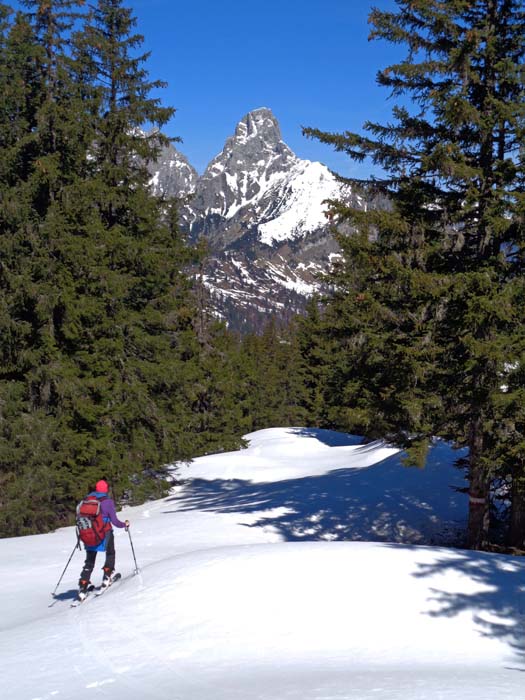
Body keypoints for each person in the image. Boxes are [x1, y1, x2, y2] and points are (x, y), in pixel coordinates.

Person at [78, 479, 130, 599]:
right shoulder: (107, 502)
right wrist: (125, 524)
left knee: (89, 561)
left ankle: (83, 584)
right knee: (110, 553)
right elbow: (115, 522)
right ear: (106, 490)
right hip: (104, 532)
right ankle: (107, 575)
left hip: (89, 533)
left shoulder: (87, 500)